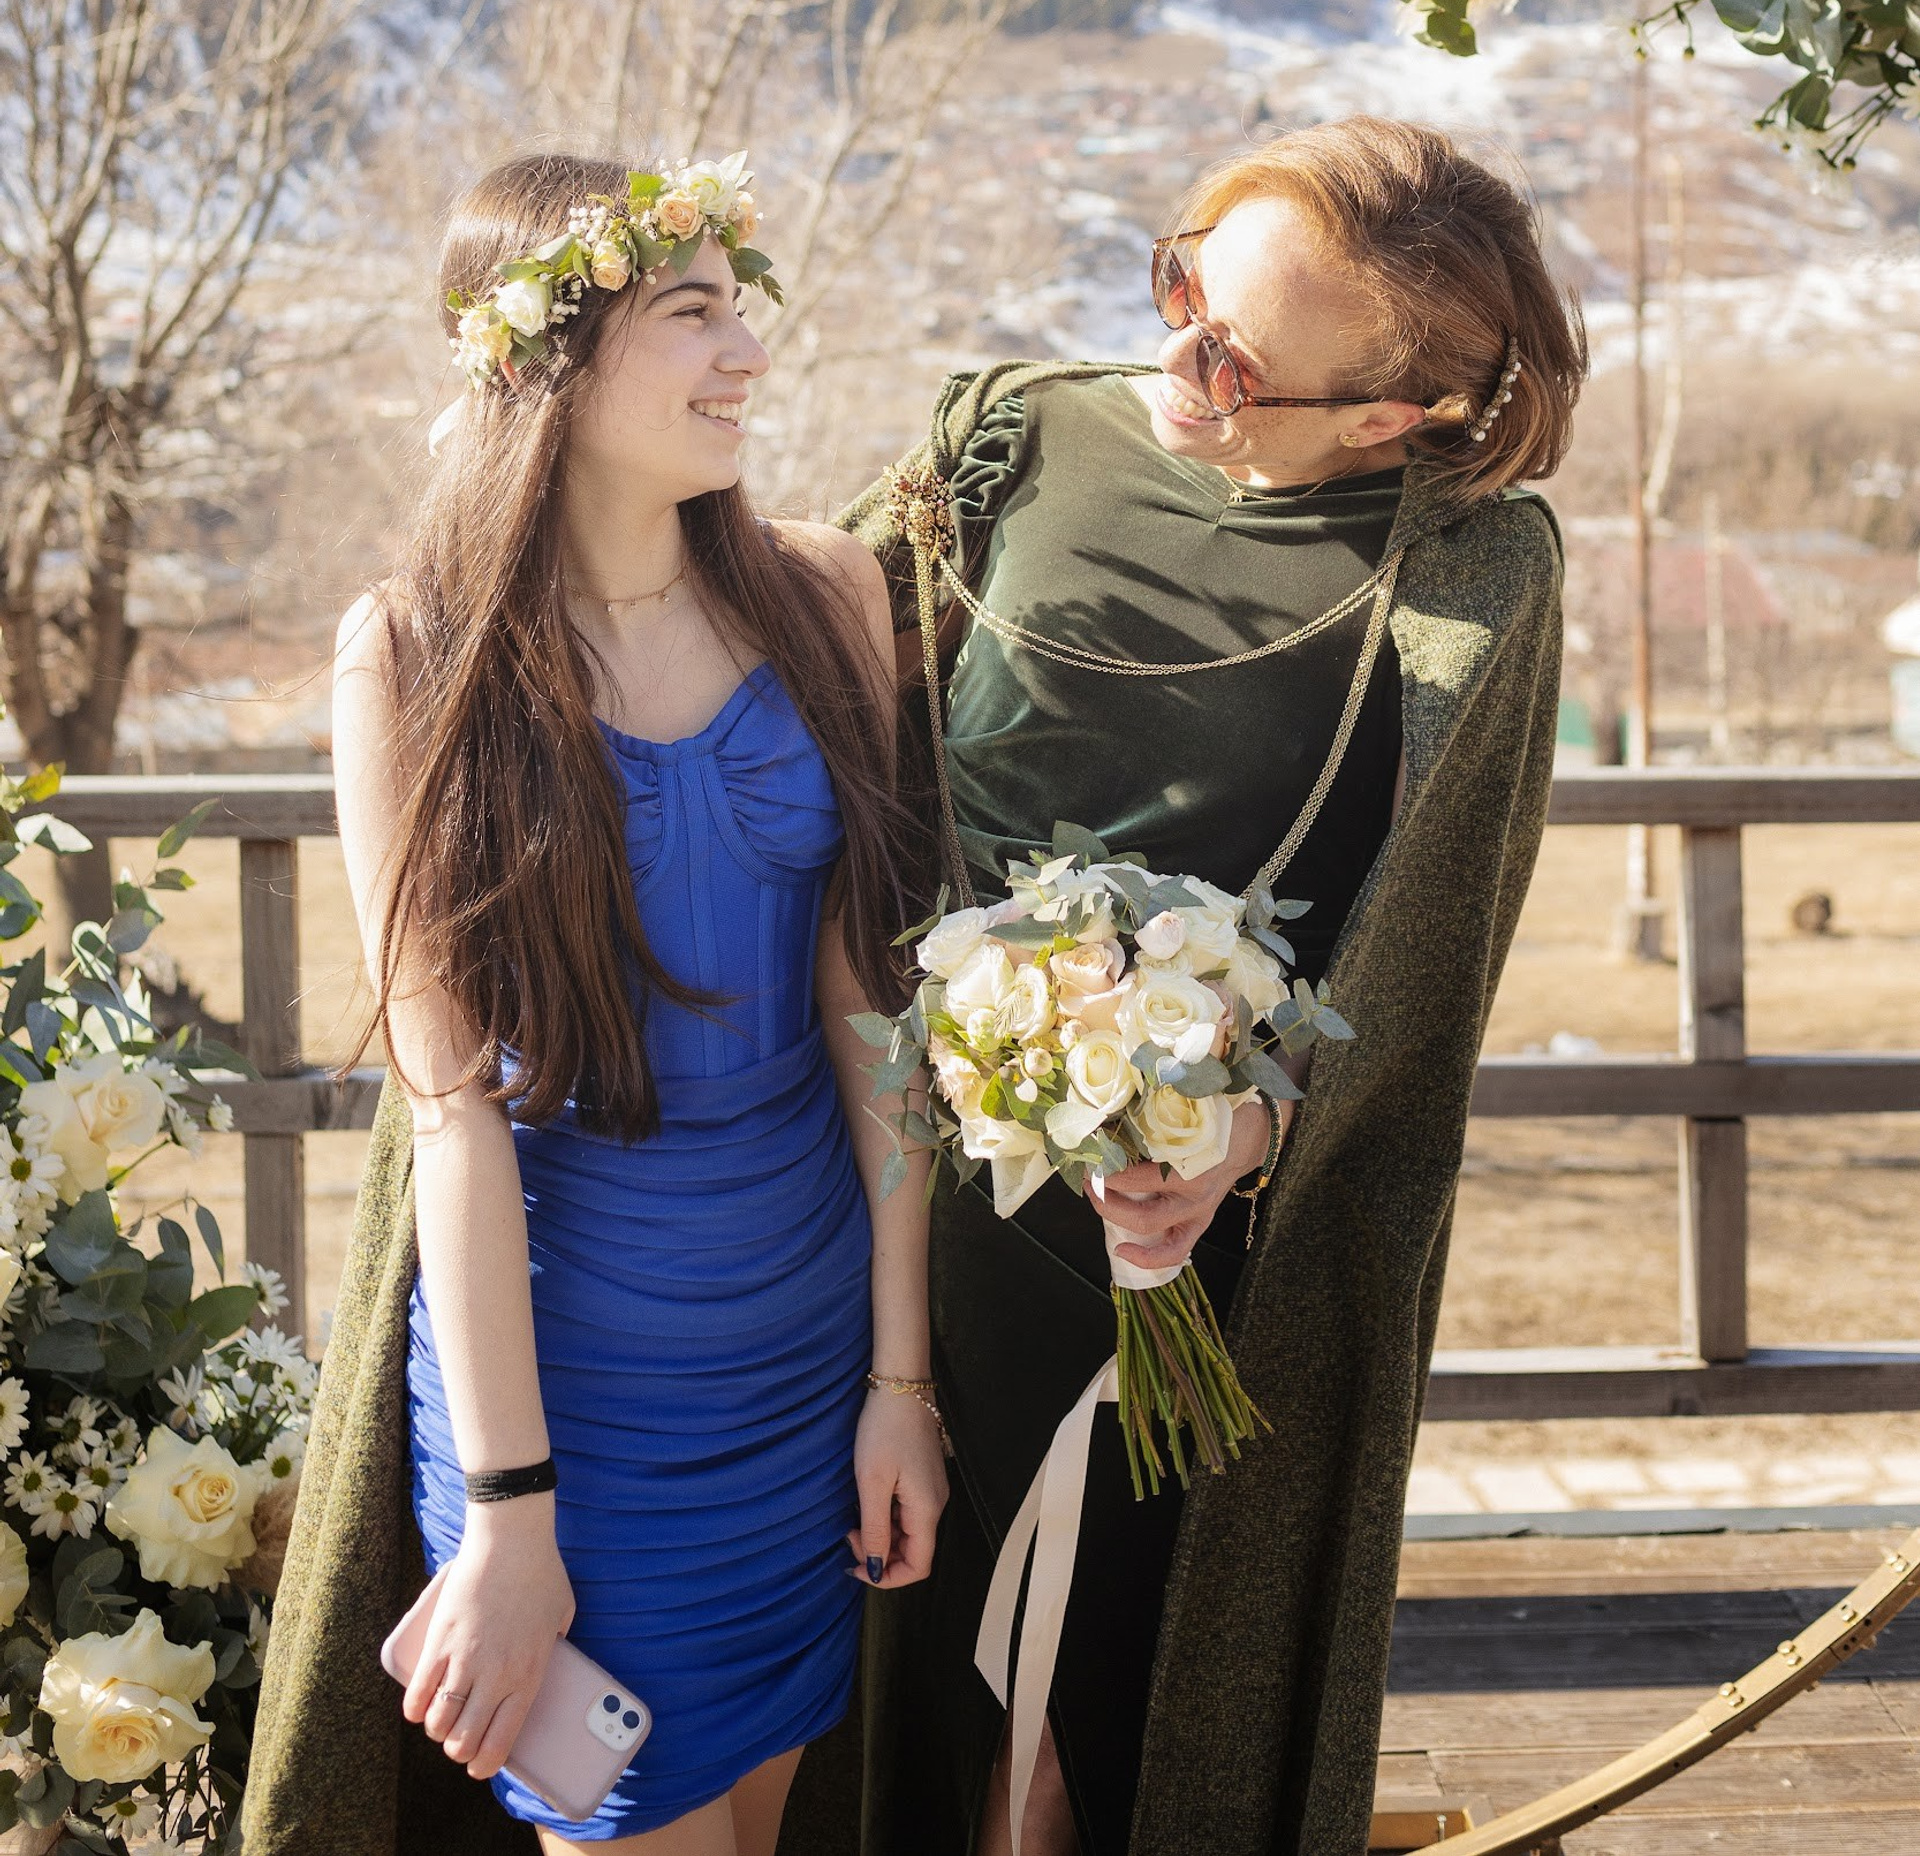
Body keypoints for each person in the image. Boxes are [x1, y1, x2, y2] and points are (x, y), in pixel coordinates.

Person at [840, 116, 1587, 1856]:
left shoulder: (1473, 567)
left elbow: (1425, 954)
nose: (1177, 350)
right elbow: (800, 719)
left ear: (1394, 414)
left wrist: (1244, 1125)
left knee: (1095, 1704)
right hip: (883, 1206)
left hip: (1184, 1250)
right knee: (898, 1695)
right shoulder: (1006, 440)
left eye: (1238, 351)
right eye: (1179, 279)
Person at [245, 150, 945, 1856]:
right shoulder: (414, 655)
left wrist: (901, 1382)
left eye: (741, 308)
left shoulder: (831, 595)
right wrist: (506, 1515)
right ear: (538, 360)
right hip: (574, 1395)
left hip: (804, 1354)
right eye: (688, 313)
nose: (746, 355)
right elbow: (450, 1114)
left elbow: (874, 1022)